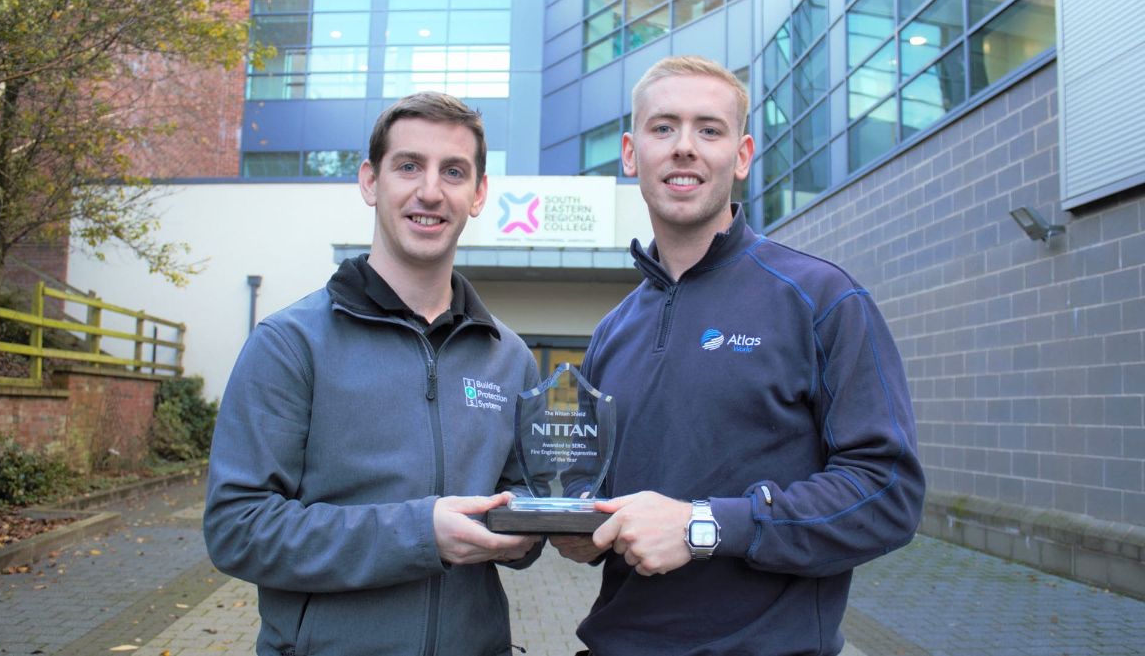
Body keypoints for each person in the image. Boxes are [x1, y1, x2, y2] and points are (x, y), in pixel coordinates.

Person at [552, 55, 925, 655]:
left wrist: (706, 526)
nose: (684, 148)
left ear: (743, 156)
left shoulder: (821, 299)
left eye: (709, 129)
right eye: (663, 127)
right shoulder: (611, 331)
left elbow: (887, 494)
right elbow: (592, 484)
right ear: (630, 153)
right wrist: (576, 523)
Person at [204, 91, 542, 656]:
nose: (430, 191)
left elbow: (521, 514)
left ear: (478, 194)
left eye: (453, 171)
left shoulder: (509, 357)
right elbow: (237, 529)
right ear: (370, 181)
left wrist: (534, 527)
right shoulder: (290, 344)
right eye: (408, 166)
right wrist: (420, 534)